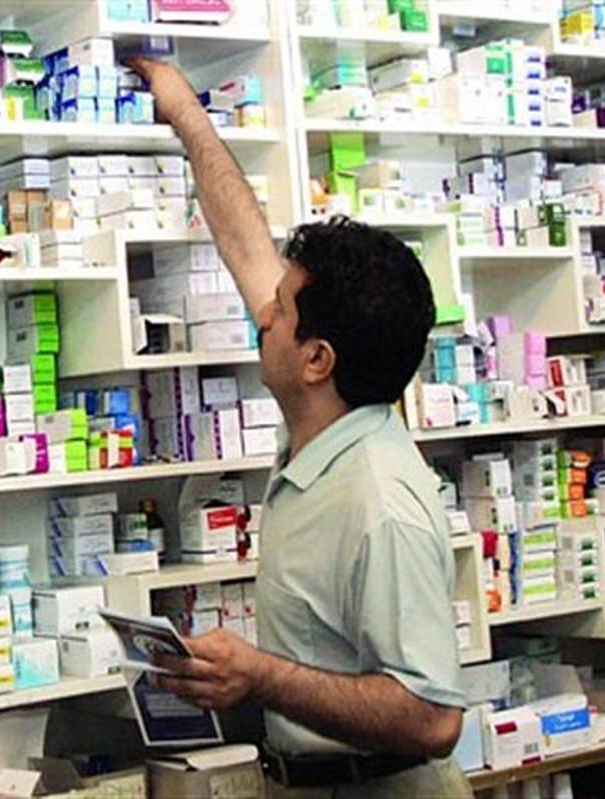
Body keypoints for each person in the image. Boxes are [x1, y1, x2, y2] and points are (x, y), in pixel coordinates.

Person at [127, 58, 472, 798]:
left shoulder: (379, 500)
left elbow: (433, 718)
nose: (262, 311)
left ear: (316, 359)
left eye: (278, 310)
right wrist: (187, 115)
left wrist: (259, 674)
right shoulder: (329, 432)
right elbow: (248, 247)